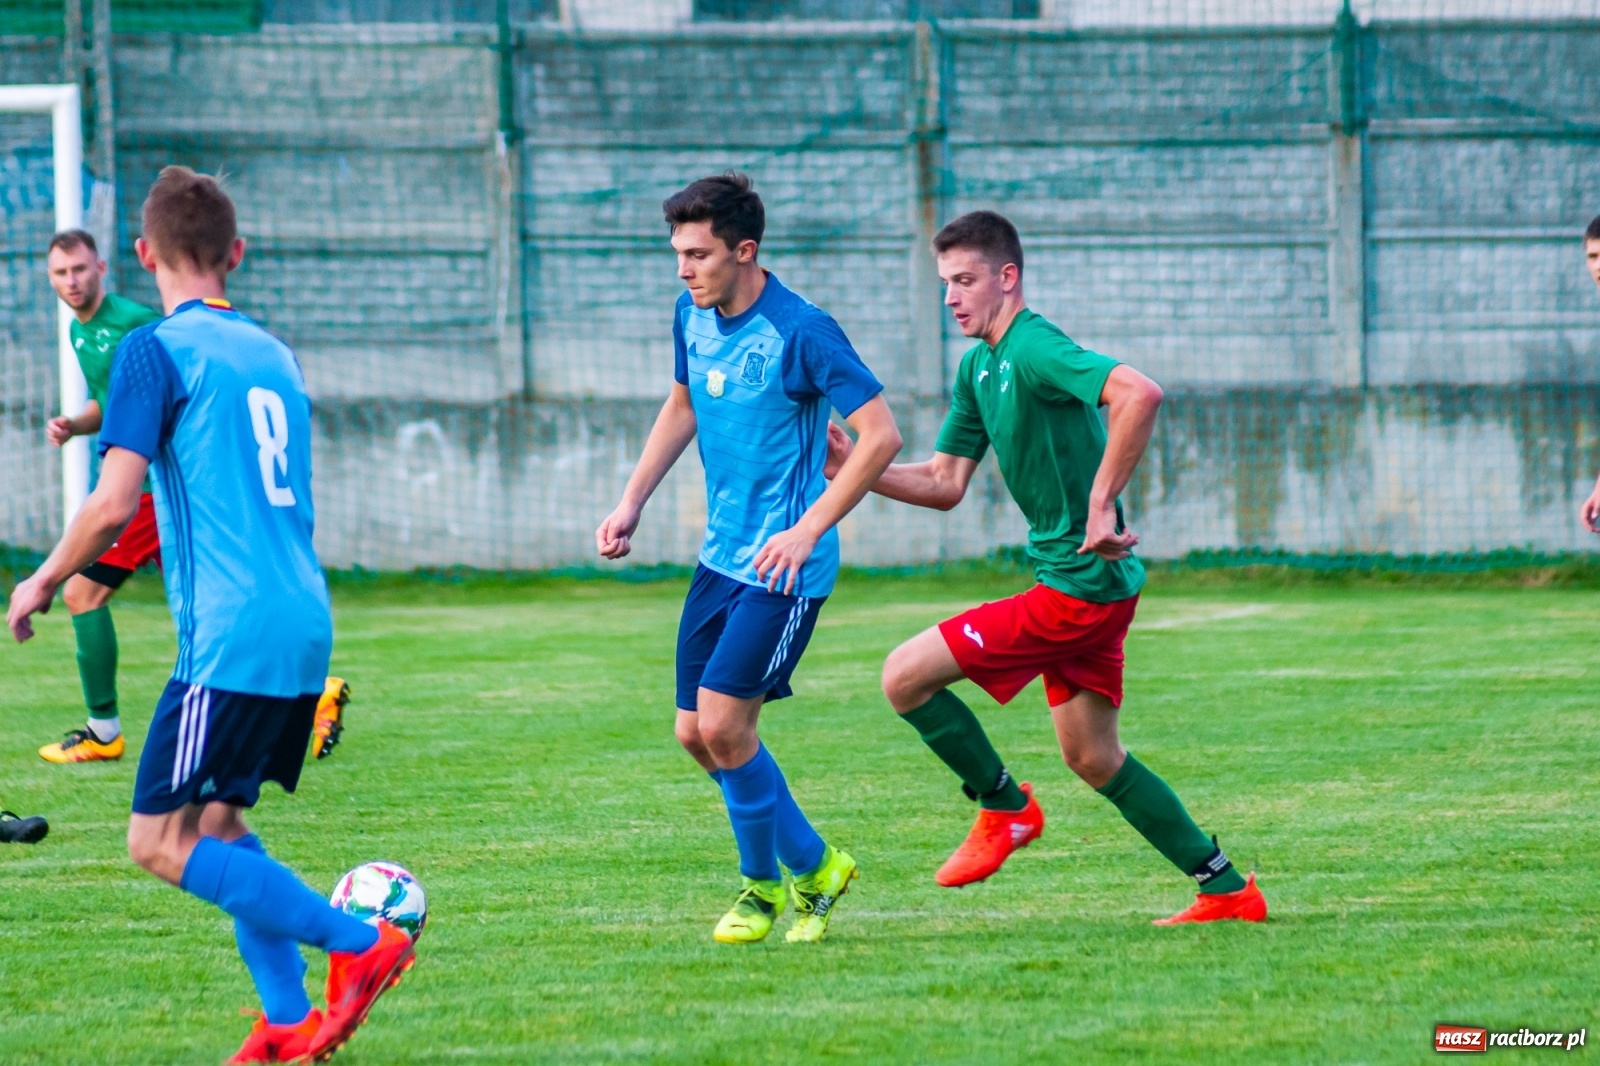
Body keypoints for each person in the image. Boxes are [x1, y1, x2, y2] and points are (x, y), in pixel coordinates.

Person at [7, 167, 413, 1063]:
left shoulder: (152, 349)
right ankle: (288, 1020)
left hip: (231, 631)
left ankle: (360, 944)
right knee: (220, 826)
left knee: (155, 841)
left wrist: (42, 579)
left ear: (143, 254)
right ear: (237, 252)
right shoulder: (273, 352)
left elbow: (114, 504)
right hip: (302, 621)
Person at [827, 210, 1268, 925]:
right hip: (1088, 585)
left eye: (965, 280)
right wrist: (857, 469)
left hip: (1077, 587)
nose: (951, 298)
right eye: (945, 283)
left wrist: (1100, 502)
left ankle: (1005, 807)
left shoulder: (1033, 347)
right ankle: (1226, 890)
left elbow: (1138, 393)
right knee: (1093, 756)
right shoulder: (978, 367)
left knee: (904, 676)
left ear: (1007, 278)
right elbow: (943, 482)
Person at [596, 172, 902, 944]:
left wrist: (809, 529)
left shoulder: (802, 330)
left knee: (727, 727)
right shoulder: (690, 315)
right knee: (694, 732)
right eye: (677, 253)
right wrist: (632, 501)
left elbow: (881, 437)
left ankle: (763, 890)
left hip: (785, 568)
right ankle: (818, 865)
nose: (683, 270)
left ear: (745, 250)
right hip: (721, 557)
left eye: (697, 255)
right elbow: (682, 405)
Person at [38, 231, 352, 766]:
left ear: (105, 267)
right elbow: (115, 402)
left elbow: (175, 378)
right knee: (213, 607)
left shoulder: (139, 326)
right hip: (159, 495)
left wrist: (40, 578)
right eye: (61, 273)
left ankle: (103, 730)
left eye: (81, 269)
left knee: (80, 594)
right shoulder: (79, 331)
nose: (72, 281)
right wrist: (75, 423)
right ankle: (313, 689)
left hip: (152, 494)